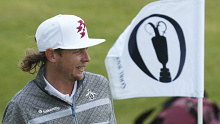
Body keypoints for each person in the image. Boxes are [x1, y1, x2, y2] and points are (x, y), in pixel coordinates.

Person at [2, 14, 116, 124]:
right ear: (51, 55)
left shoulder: (100, 86)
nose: (87, 58)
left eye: (86, 49)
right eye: (77, 51)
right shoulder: (22, 107)